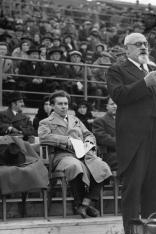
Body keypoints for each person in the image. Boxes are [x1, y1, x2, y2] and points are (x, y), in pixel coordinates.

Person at [106, 32, 156, 234]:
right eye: (138, 44)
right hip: (136, 136)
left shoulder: (151, 70)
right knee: (133, 187)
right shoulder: (117, 69)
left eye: (145, 44)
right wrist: (145, 82)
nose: (144, 47)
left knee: (155, 184)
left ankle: (152, 233)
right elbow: (119, 95)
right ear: (127, 49)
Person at [38, 90, 112, 218]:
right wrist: (66, 140)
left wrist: (88, 142)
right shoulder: (46, 122)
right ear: (53, 106)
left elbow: (88, 134)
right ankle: (79, 204)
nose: (63, 107)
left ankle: (86, 204)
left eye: (66, 104)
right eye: (60, 104)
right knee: (75, 166)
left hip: (83, 153)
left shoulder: (75, 120)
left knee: (103, 166)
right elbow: (44, 137)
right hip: (62, 155)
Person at [92, 97, 117, 171]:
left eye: (117, 104)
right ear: (107, 106)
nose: (115, 106)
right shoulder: (99, 121)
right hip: (110, 155)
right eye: (112, 104)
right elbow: (103, 139)